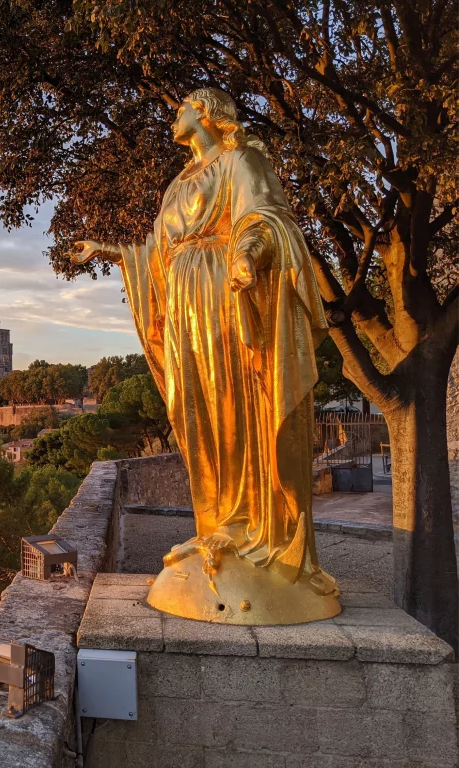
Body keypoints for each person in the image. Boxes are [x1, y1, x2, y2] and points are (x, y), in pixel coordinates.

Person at [72, 88, 339, 623]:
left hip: (222, 297)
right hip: (182, 304)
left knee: (233, 405)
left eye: (182, 108)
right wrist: (114, 253)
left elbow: (267, 215)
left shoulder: (240, 158)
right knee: (194, 415)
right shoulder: (178, 183)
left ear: (208, 113)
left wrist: (247, 252)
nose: (176, 116)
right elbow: (159, 251)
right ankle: (215, 526)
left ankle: (246, 529)